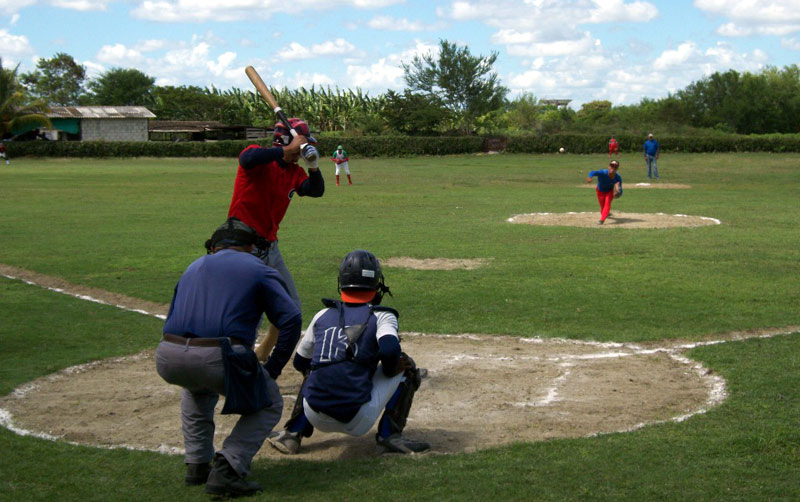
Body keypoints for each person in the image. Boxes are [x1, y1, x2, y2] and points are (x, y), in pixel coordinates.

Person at [155, 218, 302, 497]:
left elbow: (171, 318)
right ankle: (228, 467)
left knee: (195, 390)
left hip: (168, 355)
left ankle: (197, 464)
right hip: (215, 355)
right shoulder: (259, 268)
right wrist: (273, 368)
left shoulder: (192, 267)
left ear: (214, 247)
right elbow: (292, 319)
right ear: (250, 247)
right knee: (269, 401)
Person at [268, 250, 430, 455]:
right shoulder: (381, 316)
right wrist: (390, 369)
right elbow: (389, 350)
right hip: (357, 419)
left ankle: (293, 434)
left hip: (314, 412)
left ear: (341, 283)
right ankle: (390, 436)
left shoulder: (322, 315)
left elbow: (300, 362)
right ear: (376, 283)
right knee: (406, 365)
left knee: (315, 366)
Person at [228, 118, 324, 360]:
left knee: (290, 307)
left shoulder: (294, 173)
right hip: (242, 247)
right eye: (301, 149)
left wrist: (313, 166)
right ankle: (238, 360)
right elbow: (247, 158)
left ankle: (261, 354)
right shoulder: (257, 158)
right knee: (248, 311)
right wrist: (286, 150)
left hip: (270, 247)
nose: (300, 154)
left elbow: (316, 190)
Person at [586, 160, 622, 225]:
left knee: (607, 203)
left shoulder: (617, 177)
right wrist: (590, 177)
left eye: (615, 167)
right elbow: (593, 172)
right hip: (600, 191)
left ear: (617, 169)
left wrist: (618, 193)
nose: (613, 169)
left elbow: (620, 189)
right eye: (611, 166)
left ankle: (601, 220)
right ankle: (605, 213)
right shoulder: (602, 173)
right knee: (602, 207)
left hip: (609, 191)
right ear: (608, 166)